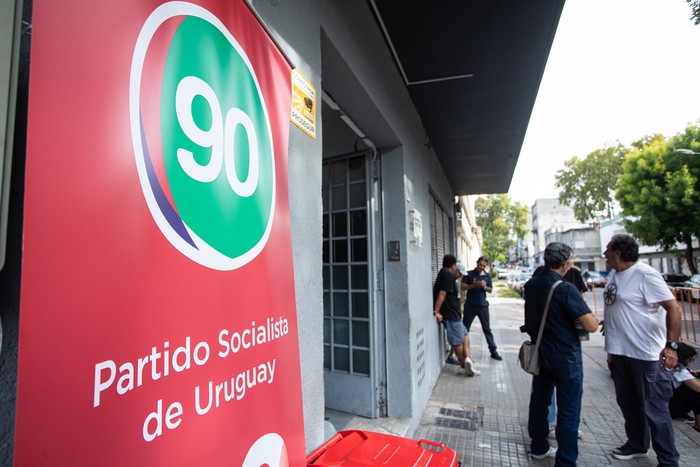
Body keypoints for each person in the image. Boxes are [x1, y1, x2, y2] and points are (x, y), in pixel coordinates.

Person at [602, 234, 682, 466]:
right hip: (620, 352)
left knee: (654, 410)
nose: (604, 254)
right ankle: (637, 444)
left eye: (607, 249)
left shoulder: (646, 275)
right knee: (629, 403)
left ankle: (668, 460)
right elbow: (620, 306)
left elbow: (673, 308)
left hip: (645, 355)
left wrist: (671, 346)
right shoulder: (615, 275)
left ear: (618, 252)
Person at [523, 242, 598, 465]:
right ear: (565, 263)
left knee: (539, 401)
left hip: (541, 352)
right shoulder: (564, 288)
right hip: (565, 356)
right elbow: (591, 325)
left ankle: (538, 446)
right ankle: (565, 461)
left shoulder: (532, 284)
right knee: (569, 410)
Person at [433, 254, 480, 376]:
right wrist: (436, 311)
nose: (460, 276)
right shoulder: (447, 275)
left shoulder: (447, 276)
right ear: (453, 266)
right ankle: (464, 365)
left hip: (455, 315)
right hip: (450, 314)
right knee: (457, 341)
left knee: (465, 335)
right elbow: (442, 294)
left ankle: (468, 360)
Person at [461, 256, 501, 360]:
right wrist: (473, 285)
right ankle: (461, 353)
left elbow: (490, 290)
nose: (482, 267)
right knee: (464, 329)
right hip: (470, 305)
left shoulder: (487, 276)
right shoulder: (468, 274)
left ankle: (493, 351)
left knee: (487, 329)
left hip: (483, 306)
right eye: (480, 265)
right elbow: (462, 287)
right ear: (477, 263)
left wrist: (484, 287)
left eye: (484, 266)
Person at [668, 342, 700, 432]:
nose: (690, 361)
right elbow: (698, 388)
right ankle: (698, 425)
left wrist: (692, 373)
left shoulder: (670, 365)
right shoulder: (679, 370)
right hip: (670, 409)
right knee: (696, 393)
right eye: (690, 359)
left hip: (662, 404)